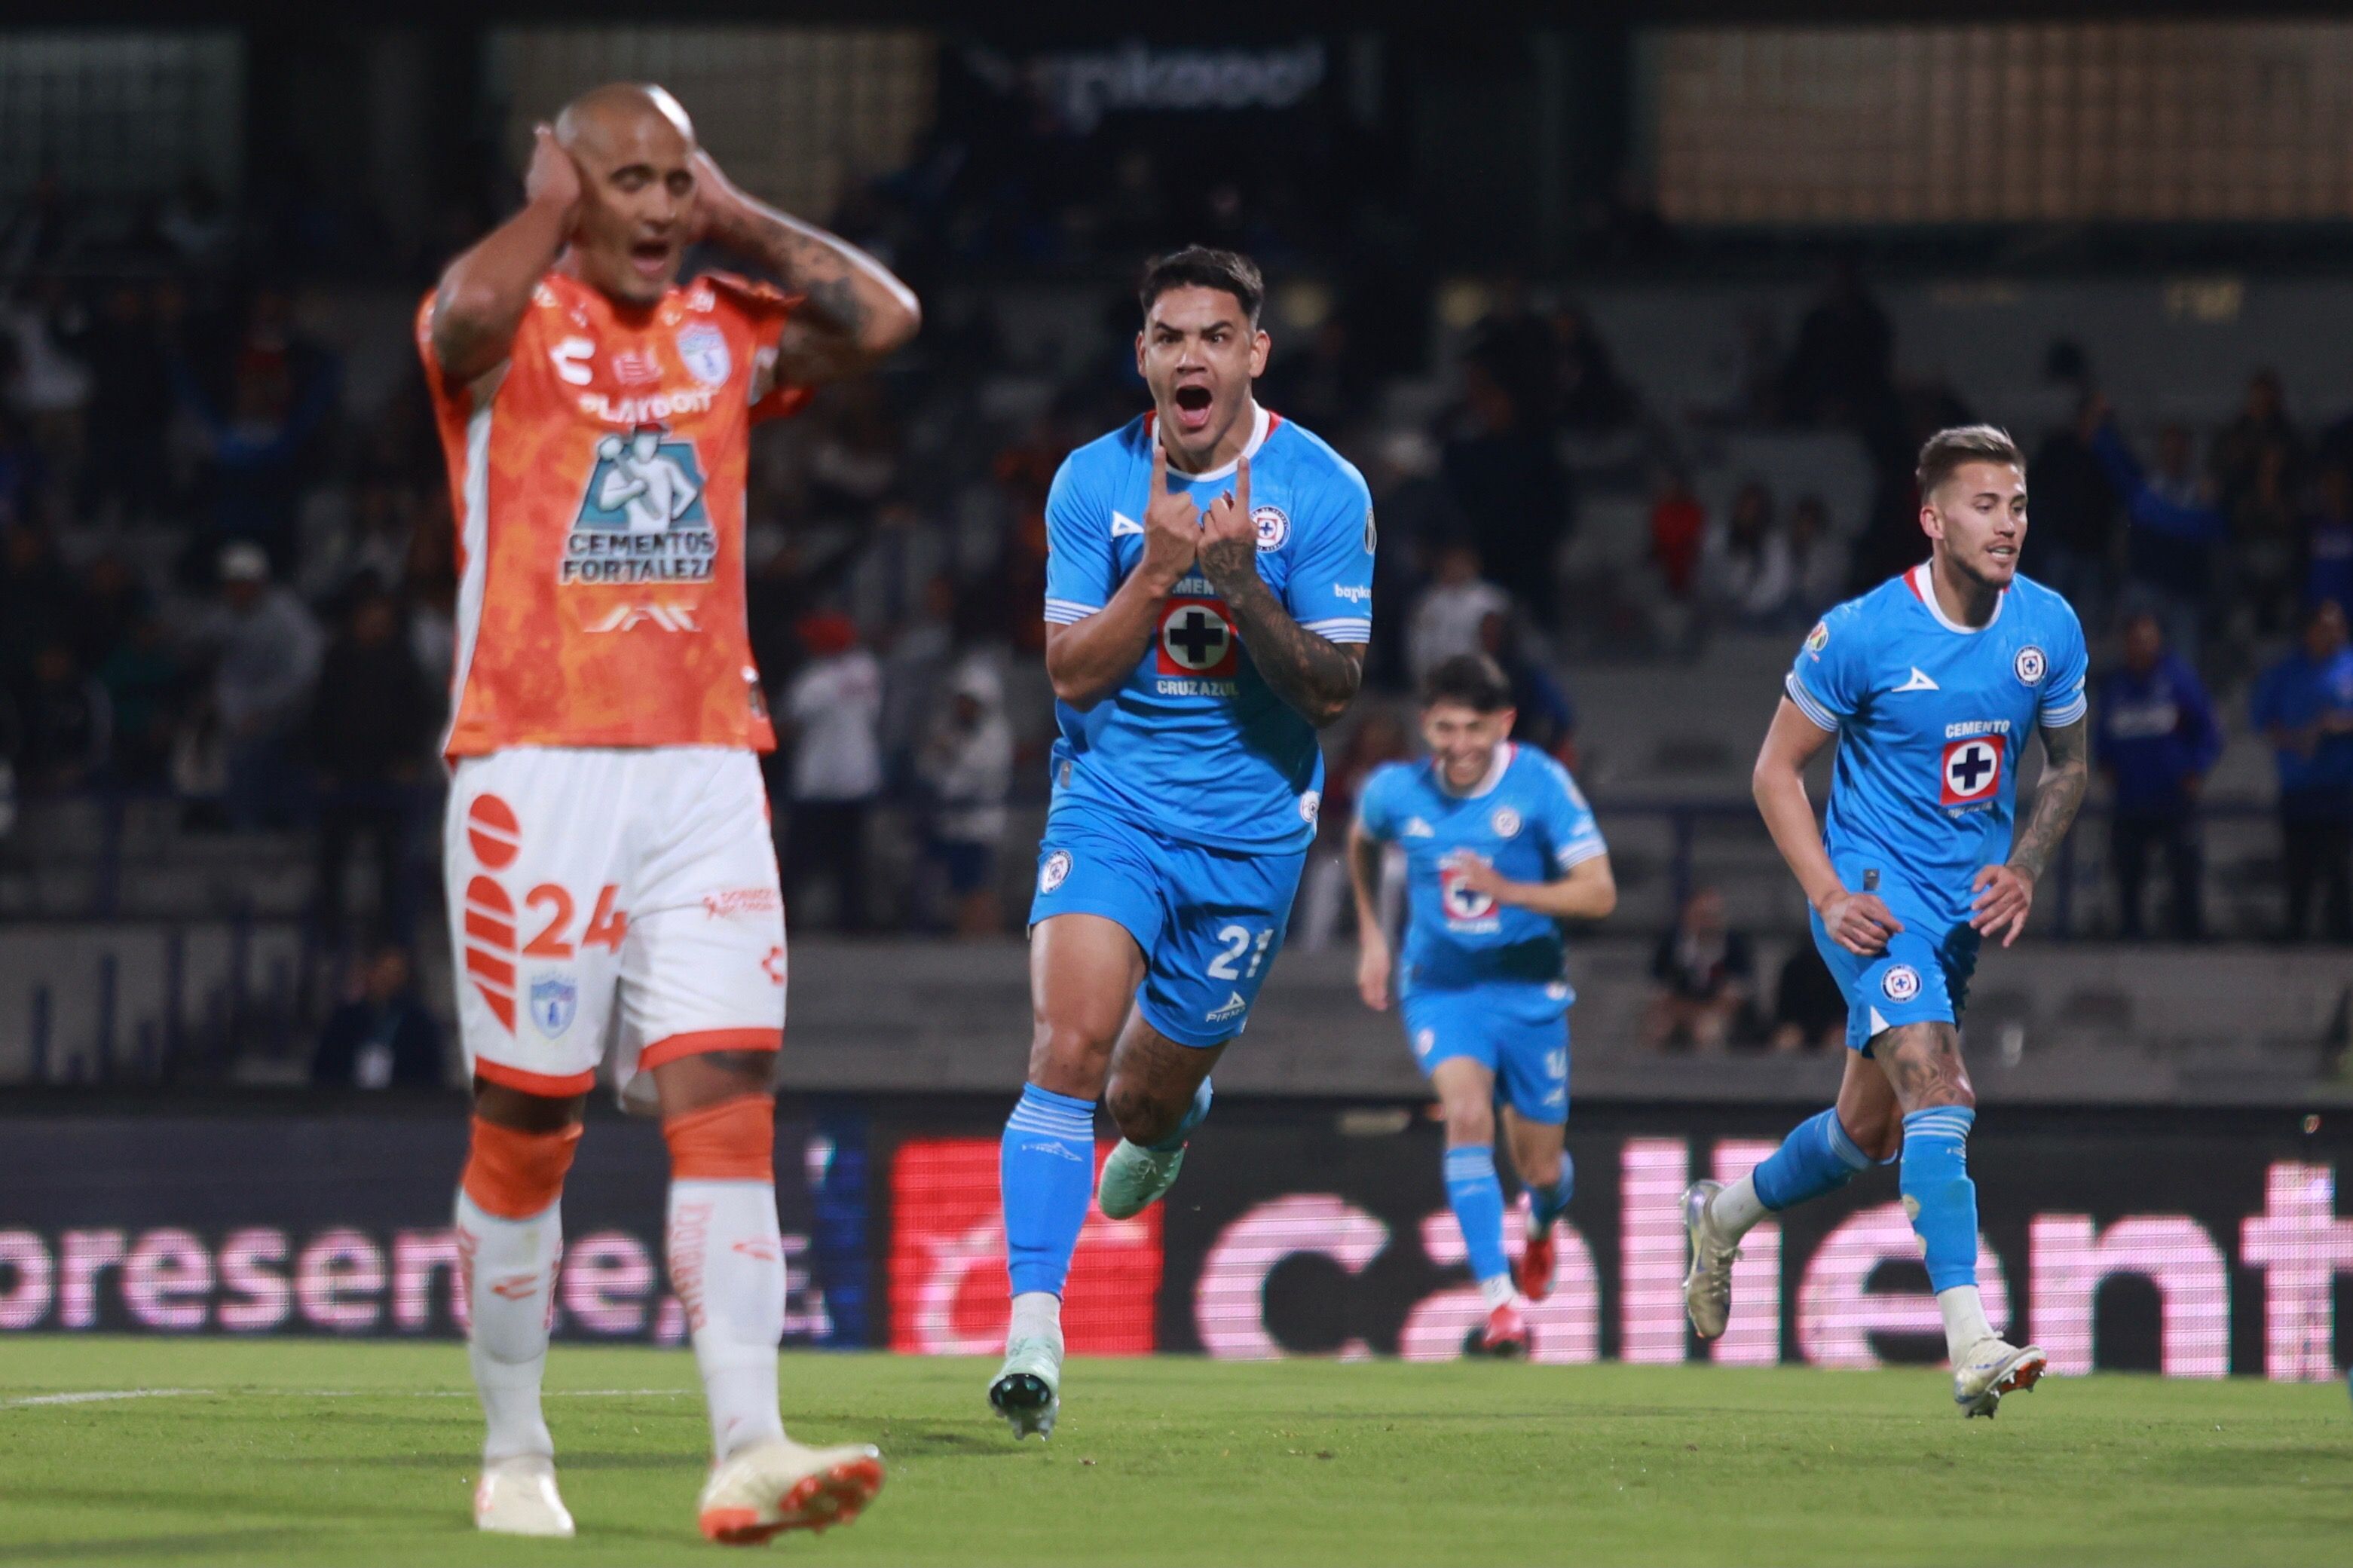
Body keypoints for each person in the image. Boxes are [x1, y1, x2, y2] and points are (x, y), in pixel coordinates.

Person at [419, 83, 917, 1541]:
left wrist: (729, 211)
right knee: (529, 1124)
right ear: (569, 187)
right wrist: (550, 200)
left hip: (706, 764)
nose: (653, 208)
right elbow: (453, 319)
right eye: (624, 180)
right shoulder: (509, 328)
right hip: (535, 765)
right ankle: (515, 1451)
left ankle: (749, 1445)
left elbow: (883, 320)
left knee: (728, 1109)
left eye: (670, 181)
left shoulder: (722, 330)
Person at [991, 246, 1373, 1438]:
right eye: (1168, 337)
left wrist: (1241, 587)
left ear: (1254, 352)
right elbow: (1070, 673)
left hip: (1249, 837)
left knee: (1142, 1101)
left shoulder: (1324, 489)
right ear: (1143, 356)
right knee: (1066, 1046)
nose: (1190, 356)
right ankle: (1033, 1330)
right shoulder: (1089, 481)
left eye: (1214, 335)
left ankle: (1176, 1113)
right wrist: (1161, 568)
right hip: (1111, 803)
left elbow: (1332, 692)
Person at [1685, 426, 2090, 1418]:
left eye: (2017, 505)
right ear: (1932, 519)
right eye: (1984, 505)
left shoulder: (2048, 626)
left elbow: (2069, 764)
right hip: (1871, 905)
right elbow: (1774, 771)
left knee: (1864, 1132)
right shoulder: (1860, 633)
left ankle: (1721, 1214)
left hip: (1957, 921)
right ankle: (1971, 1342)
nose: (2006, 524)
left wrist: (2025, 865)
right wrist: (1827, 894)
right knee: (1939, 1086)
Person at [1348, 654, 1614, 1356]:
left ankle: (1541, 1225)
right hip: (1442, 988)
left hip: (1528, 991)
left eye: (1473, 728)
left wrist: (1512, 890)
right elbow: (1362, 839)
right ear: (1424, 725)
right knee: (1466, 1115)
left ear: (1504, 723)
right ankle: (1501, 1306)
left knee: (1543, 1172)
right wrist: (1373, 935)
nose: (1458, 745)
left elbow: (1599, 891)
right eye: (1444, 728)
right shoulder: (1396, 790)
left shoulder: (1540, 783)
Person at [310, 588, 436, 946]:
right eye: (369, 617)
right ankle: (330, 930)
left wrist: (411, 761)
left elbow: (419, 716)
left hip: (389, 778)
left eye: (382, 618)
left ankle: (389, 936)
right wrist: (322, 766)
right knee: (332, 856)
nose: (375, 625)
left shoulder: (403, 662)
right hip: (344, 776)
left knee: (392, 860)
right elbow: (320, 715)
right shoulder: (337, 659)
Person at [2094, 611, 2223, 940]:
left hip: (2174, 797)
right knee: (2128, 870)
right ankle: (2131, 931)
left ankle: (2189, 932)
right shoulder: (2116, 686)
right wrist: (2107, 768)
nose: (2142, 647)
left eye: (2148, 640)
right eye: (2136, 641)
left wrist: (2196, 770)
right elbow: (2102, 739)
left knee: (2184, 868)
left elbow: (2208, 733)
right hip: (2130, 799)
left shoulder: (2179, 680)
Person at [2251, 598, 2353, 942]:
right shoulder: (2286, 672)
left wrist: (2336, 725)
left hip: (2341, 786)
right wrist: (2296, 739)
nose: (2332, 634)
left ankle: (2341, 931)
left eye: (2337, 627)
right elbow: (2263, 719)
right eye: (2324, 628)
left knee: (2340, 864)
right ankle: (2296, 931)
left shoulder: (2350, 667)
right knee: (2299, 864)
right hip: (2300, 784)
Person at [780, 612, 883, 932]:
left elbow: (789, 725)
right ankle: (854, 922)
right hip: (857, 778)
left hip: (818, 781)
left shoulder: (814, 680)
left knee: (798, 859)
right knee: (850, 860)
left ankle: (785, 920)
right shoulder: (867, 668)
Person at [914, 655, 1013, 937]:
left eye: (970, 701)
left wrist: (952, 753)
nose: (963, 706)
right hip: (949, 820)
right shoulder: (948, 727)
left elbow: (982, 773)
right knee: (953, 881)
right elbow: (927, 768)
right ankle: (962, 931)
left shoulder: (996, 734)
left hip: (980, 821)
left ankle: (982, 934)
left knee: (977, 881)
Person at [311, 944, 445, 1089]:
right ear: (370, 971)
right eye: (382, 972)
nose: (386, 981)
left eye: (394, 974)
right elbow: (324, 1069)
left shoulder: (419, 1025)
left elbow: (429, 1075)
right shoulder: (344, 1020)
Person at [1643, 887, 1755, 1050]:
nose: (1706, 923)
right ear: (1687, 915)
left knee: (1708, 1029)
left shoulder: (1734, 945)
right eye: (1701, 915)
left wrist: (1704, 1014)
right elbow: (1659, 992)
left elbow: (1735, 997)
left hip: (1716, 1011)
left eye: (1712, 916)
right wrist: (1687, 1013)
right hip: (1677, 1009)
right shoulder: (1671, 943)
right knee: (1658, 1027)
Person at [1767, 943, 1845, 1053]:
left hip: (1837, 1025)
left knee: (1842, 1041)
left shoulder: (1845, 968)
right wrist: (1790, 1028)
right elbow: (1784, 1012)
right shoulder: (1795, 967)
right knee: (1787, 1042)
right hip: (1798, 1024)